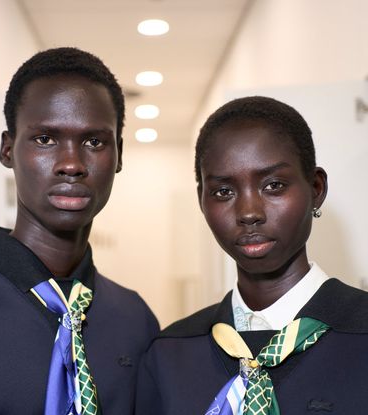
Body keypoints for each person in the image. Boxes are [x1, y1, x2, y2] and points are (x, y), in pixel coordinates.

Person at [0, 47, 159, 415]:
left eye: (94, 142)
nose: (71, 164)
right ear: (7, 150)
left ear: (120, 156)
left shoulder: (135, 319)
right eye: (45, 139)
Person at [135, 96, 368, 415]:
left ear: (315, 188)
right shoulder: (170, 353)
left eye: (274, 186)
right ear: (202, 202)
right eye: (223, 192)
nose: (248, 212)